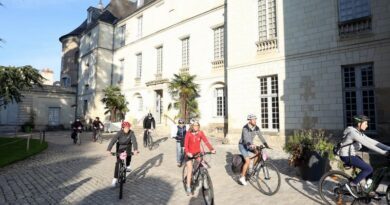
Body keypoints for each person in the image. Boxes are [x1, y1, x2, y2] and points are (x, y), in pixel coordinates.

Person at [339, 115, 390, 198]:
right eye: (365, 123)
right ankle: (352, 184)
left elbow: (373, 142)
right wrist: (385, 153)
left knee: (369, 169)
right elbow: (369, 145)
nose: (367, 125)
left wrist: (388, 148)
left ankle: (369, 190)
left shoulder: (359, 133)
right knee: (368, 169)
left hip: (351, 155)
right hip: (346, 156)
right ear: (359, 124)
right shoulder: (353, 133)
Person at [184, 120, 216, 195]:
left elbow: (206, 141)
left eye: (197, 125)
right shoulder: (188, 134)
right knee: (190, 169)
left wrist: (211, 149)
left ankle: (205, 181)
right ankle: (188, 187)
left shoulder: (200, 133)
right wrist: (188, 153)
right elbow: (185, 145)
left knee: (203, 165)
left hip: (197, 153)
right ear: (192, 126)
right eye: (195, 125)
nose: (196, 127)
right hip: (189, 154)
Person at [238, 114, 269, 186]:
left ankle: (252, 170)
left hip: (250, 145)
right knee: (248, 161)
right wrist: (250, 144)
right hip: (243, 145)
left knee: (258, 153)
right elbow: (246, 139)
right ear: (249, 120)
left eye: (255, 119)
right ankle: (242, 177)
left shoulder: (256, 128)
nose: (255, 121)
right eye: (253, 119)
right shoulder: (245, 128)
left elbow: (261, 136)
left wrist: (266, 144)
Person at [107, 121, 139, 187]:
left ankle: (128, 165)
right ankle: (115, 179)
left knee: (129, 153)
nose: (127, 129)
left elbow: (134, 141)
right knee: (118, 162)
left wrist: (135, 150)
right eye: (125, 128)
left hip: (128, 146)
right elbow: (113, 140)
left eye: (128, 128)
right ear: (122, 128)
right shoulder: (119, 133)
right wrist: (109, 150)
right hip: (120, 146)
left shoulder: (131, 133)